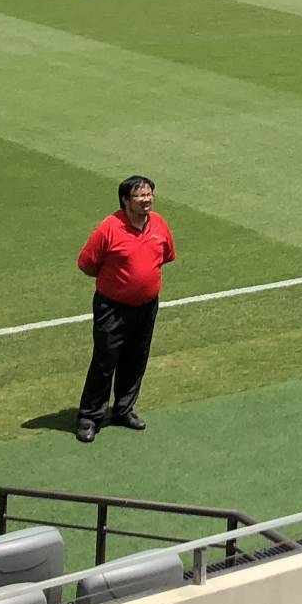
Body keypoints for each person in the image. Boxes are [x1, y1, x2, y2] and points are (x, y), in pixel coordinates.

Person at [75, 176, 175, 442]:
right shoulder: (109, 228)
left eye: (149, 194)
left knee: (136, 358)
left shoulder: (159, 224)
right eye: (140, 196)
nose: (146, 200)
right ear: (125, 201)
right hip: (113, 308)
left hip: (146, 307)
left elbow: (166, 256)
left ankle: (123, 410)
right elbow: (86, 264)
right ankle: (89, 416)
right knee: (105, 361)